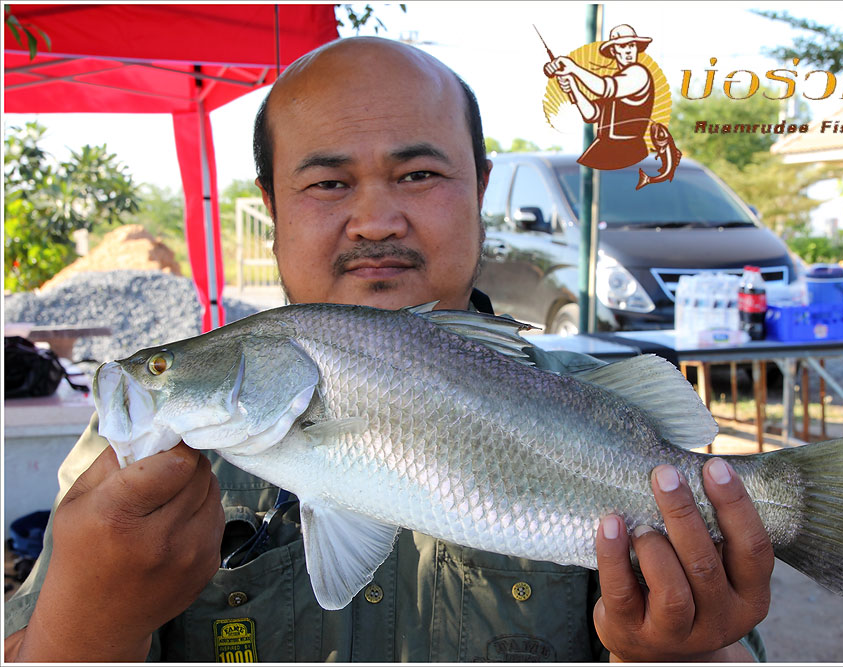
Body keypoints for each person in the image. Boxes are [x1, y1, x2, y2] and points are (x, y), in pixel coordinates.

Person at [4, 36, 772, 662]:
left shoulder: (599, 398)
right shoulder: (136, 456)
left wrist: (679, 652)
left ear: (480, 187)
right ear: (270, 206)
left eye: (418, 172)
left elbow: (705, 636)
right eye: (329, 184)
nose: (375, 219)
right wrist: (91, 616)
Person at [543, 24, 655, 170]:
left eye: (632, 45)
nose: (628, 51)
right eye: (622, 46)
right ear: (614, 50)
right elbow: (591, 114)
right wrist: (573, 85)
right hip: (605, 147)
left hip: (628, 151)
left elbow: (603, 88)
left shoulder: (638, 73)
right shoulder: (619, 80)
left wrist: (573, 68)